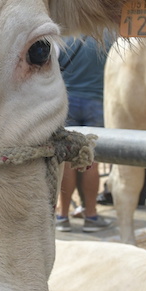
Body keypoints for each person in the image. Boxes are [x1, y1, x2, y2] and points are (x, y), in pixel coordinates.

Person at [55, 35, 113, 233]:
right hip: (97, 102)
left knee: (67, 163)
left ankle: (62, 215)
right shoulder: (107, 38)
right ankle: (90, 215)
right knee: (91, 161)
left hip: (68, 101)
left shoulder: (64, 38)